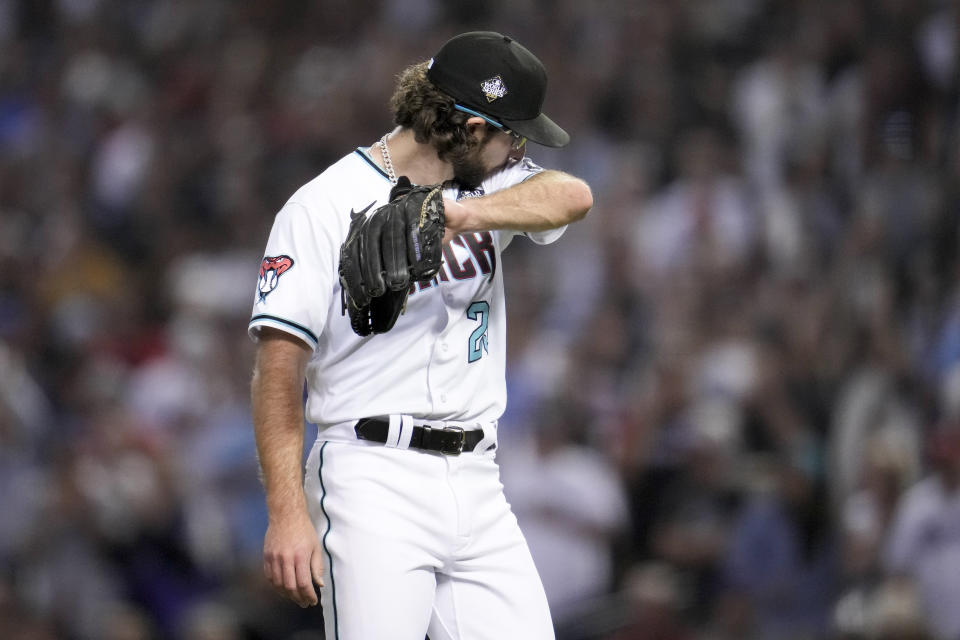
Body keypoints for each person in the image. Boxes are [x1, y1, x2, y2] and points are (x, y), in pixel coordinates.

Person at [248, 31, 592, 640]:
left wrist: (460, 214)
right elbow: (279, 368)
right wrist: (285, 513)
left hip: (479, 479)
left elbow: (573, 195)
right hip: (370, 476)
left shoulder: (487, 187)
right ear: (471, 127)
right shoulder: (322, 206)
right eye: (512, 133)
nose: (519, 148)